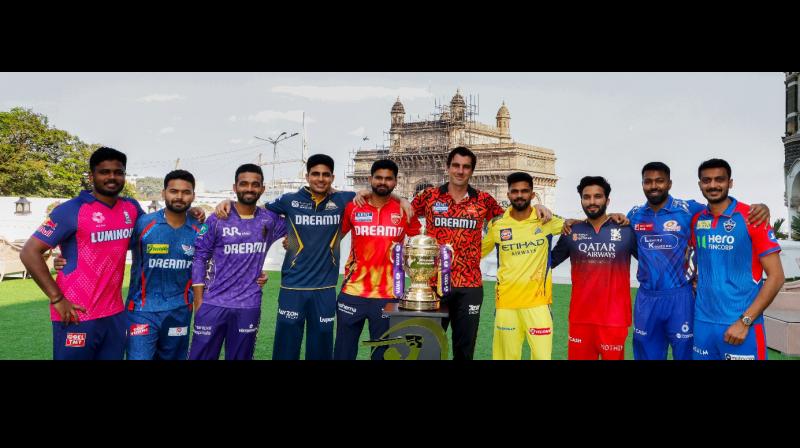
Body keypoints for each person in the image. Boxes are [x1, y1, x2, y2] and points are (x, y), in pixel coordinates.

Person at [412, 146, 552, 360]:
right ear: (447, 167)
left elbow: (514, 215)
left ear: (472, 171)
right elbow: (402, 208)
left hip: (469, 286)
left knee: (464, 350)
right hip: (434, 285)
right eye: (456, 165)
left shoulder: (484, 201)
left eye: (466, 167)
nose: (460, 171)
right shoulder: (429, 196)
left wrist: (539, 205)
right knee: (429, 348)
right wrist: (395, 196)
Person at [627, 161, 770, 360]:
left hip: (681, 297)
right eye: (648, 182)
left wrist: (763, 208)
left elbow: (720, 209)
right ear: (642, 184)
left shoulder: (690, 210)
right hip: (647, 298)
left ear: (669, 183)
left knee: (686, 354)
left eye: (659, 181)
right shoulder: (633, 215)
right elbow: (629, 245)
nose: (654, 186)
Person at [20, 147, 145, 360]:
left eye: (118, 172)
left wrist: (190, 213)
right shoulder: (71, 210)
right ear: (91, 176)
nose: (112, 177)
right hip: (76, 312)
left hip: (114, 314)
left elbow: (157, 228)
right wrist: (57, 298)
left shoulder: (131, 208)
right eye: (104, 172)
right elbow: (30, 252)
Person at [188, 164, 286, 360]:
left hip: (248, 304)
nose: (249, 188)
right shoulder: (218, 218)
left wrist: (289, 240)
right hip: (213, 302)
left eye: (255, 184)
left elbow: (299, 224)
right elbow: (200, 257)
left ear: (262, 189)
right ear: (235, 187)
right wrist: (199, 300)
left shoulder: (270, 220)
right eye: (244, 184)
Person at [690, 158, 783, 360]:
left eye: (719, 179)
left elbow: (776, 277)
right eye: (706, 180)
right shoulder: (697, 220)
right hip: (703, 323)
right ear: (700, 185)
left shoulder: (752, 217)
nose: (713, 185)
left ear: (730, 182)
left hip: (741, 324)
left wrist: (745, 321)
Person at [334, 159, 422, 360]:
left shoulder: (404, 210)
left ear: (395, 182)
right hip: (353, 291)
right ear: (370, 179)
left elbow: (419, 243)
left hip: (389, 294)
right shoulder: (353, 207)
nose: (383, 182)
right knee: (343, 352)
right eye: (379, 178)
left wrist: (402, 200)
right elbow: (333, 238)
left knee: (382, 354)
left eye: (388, 179)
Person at [551, 176, 637, 360]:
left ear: (607, 200)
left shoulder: (626, 230)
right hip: (580, 318)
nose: (592, 202)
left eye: (597, 196)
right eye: (586, 197)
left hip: (614, 319)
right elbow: (548, 262)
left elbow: (651, 260)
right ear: (581, 200)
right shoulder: (571, 231)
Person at [481, 172, 565, 360]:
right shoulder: (498, 225)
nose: (520, 195)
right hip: (506, 306)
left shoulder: (547, 221)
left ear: (532, 195)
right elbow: (477, 251)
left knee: (542, 357)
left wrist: (614, 219)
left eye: (524, 191)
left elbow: (576, 226)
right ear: (508, 194)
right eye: (515, 191)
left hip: (538, 305)